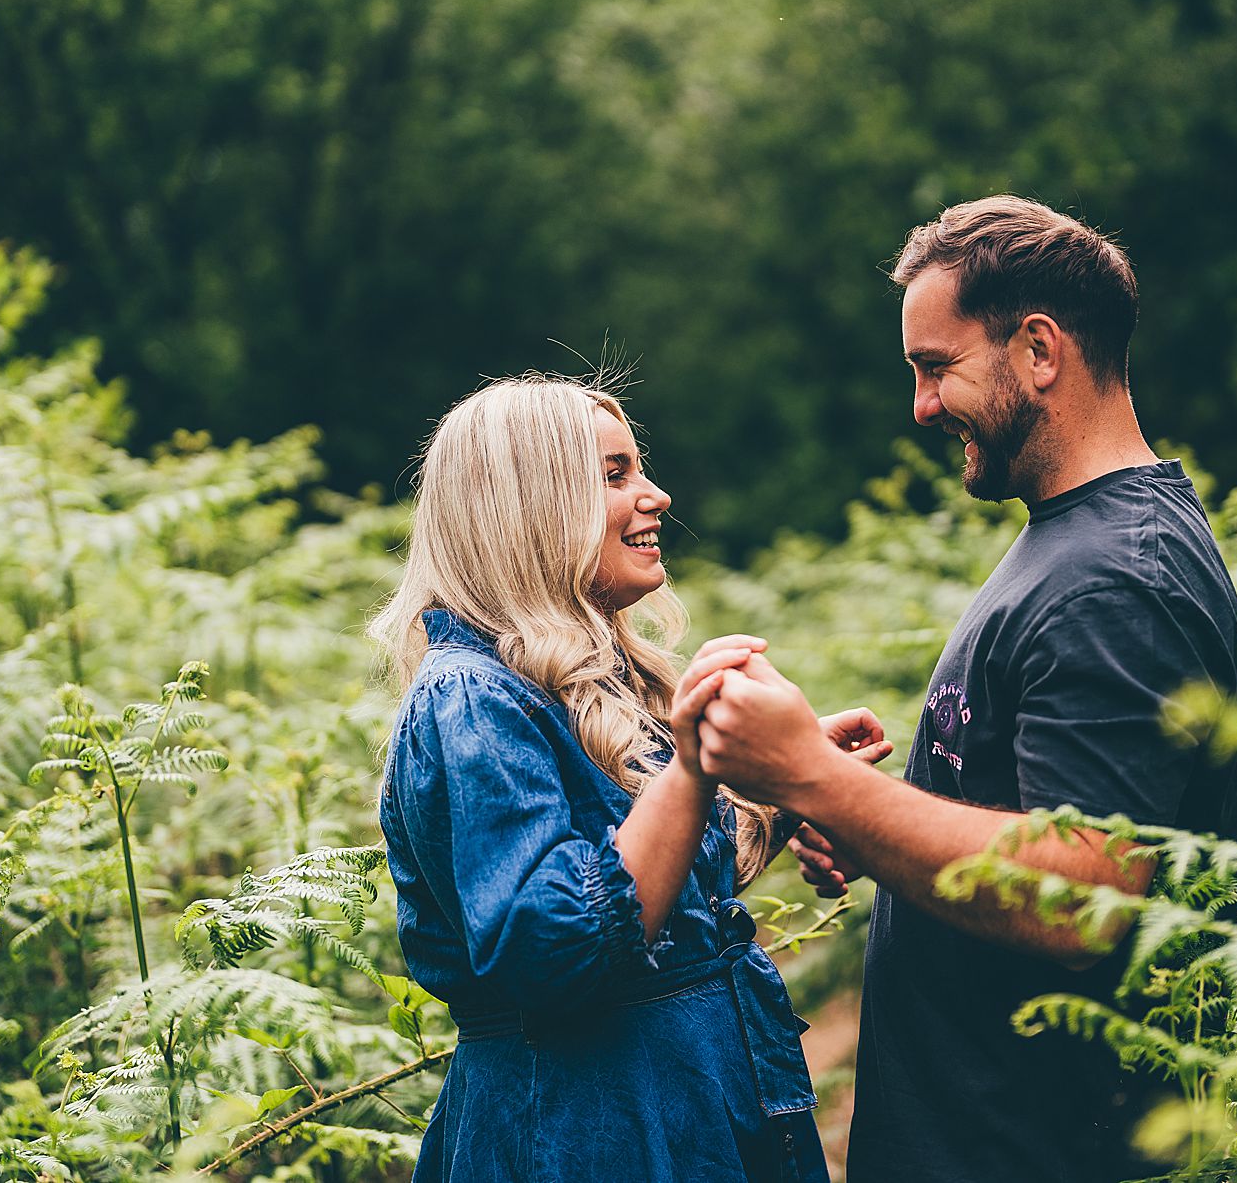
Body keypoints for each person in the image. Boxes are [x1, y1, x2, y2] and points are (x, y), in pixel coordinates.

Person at [680, 196, 1237, 1182]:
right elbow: (1038, 824)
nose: (919, 406)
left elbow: (1084, 895)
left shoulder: (1110, 576)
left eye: (934, 366)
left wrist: (818, 780)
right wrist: (870, 826)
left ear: (1038, 351)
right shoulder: (1080, 543)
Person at [369, 374, 892, 1183]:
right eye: (615, 475)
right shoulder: (471, 698)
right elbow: (558, 949)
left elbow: (664, 898)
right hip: (585, 1135)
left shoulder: (582, 681)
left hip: (683, 1115)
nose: (656, 495)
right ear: (528, 507)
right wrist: (691, 761)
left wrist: (782, 788)